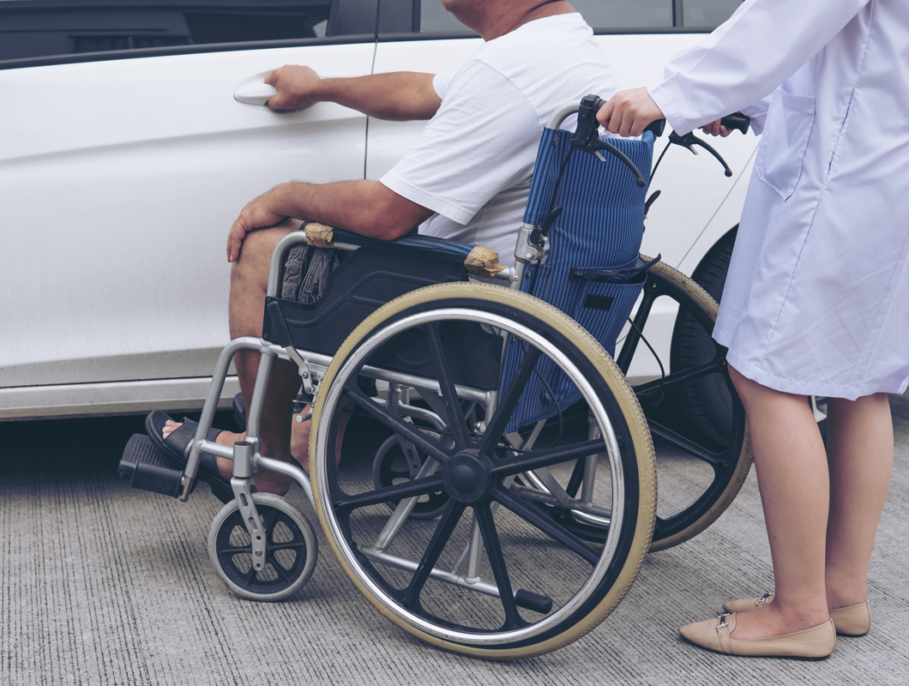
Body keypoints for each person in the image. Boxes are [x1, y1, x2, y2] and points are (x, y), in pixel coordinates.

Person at [153, 0, 618, 496]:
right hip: (547, 308)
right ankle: (310, 432)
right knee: (370, 265)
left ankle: (265, 461)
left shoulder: (509, 73)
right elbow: (421, 90)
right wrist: (318, 87)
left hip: (472, 325)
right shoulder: (567, 47)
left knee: (270, 248)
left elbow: (385, 215)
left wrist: (284, 195)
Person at [598, 0, 907, 660]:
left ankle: (798, 612)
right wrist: (750, 100)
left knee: (764, 374)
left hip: (840, 178)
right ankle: (838, 593)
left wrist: (669, 94)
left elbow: (787, 16)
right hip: (882, 166)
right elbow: (858, 52)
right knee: (860, 380)